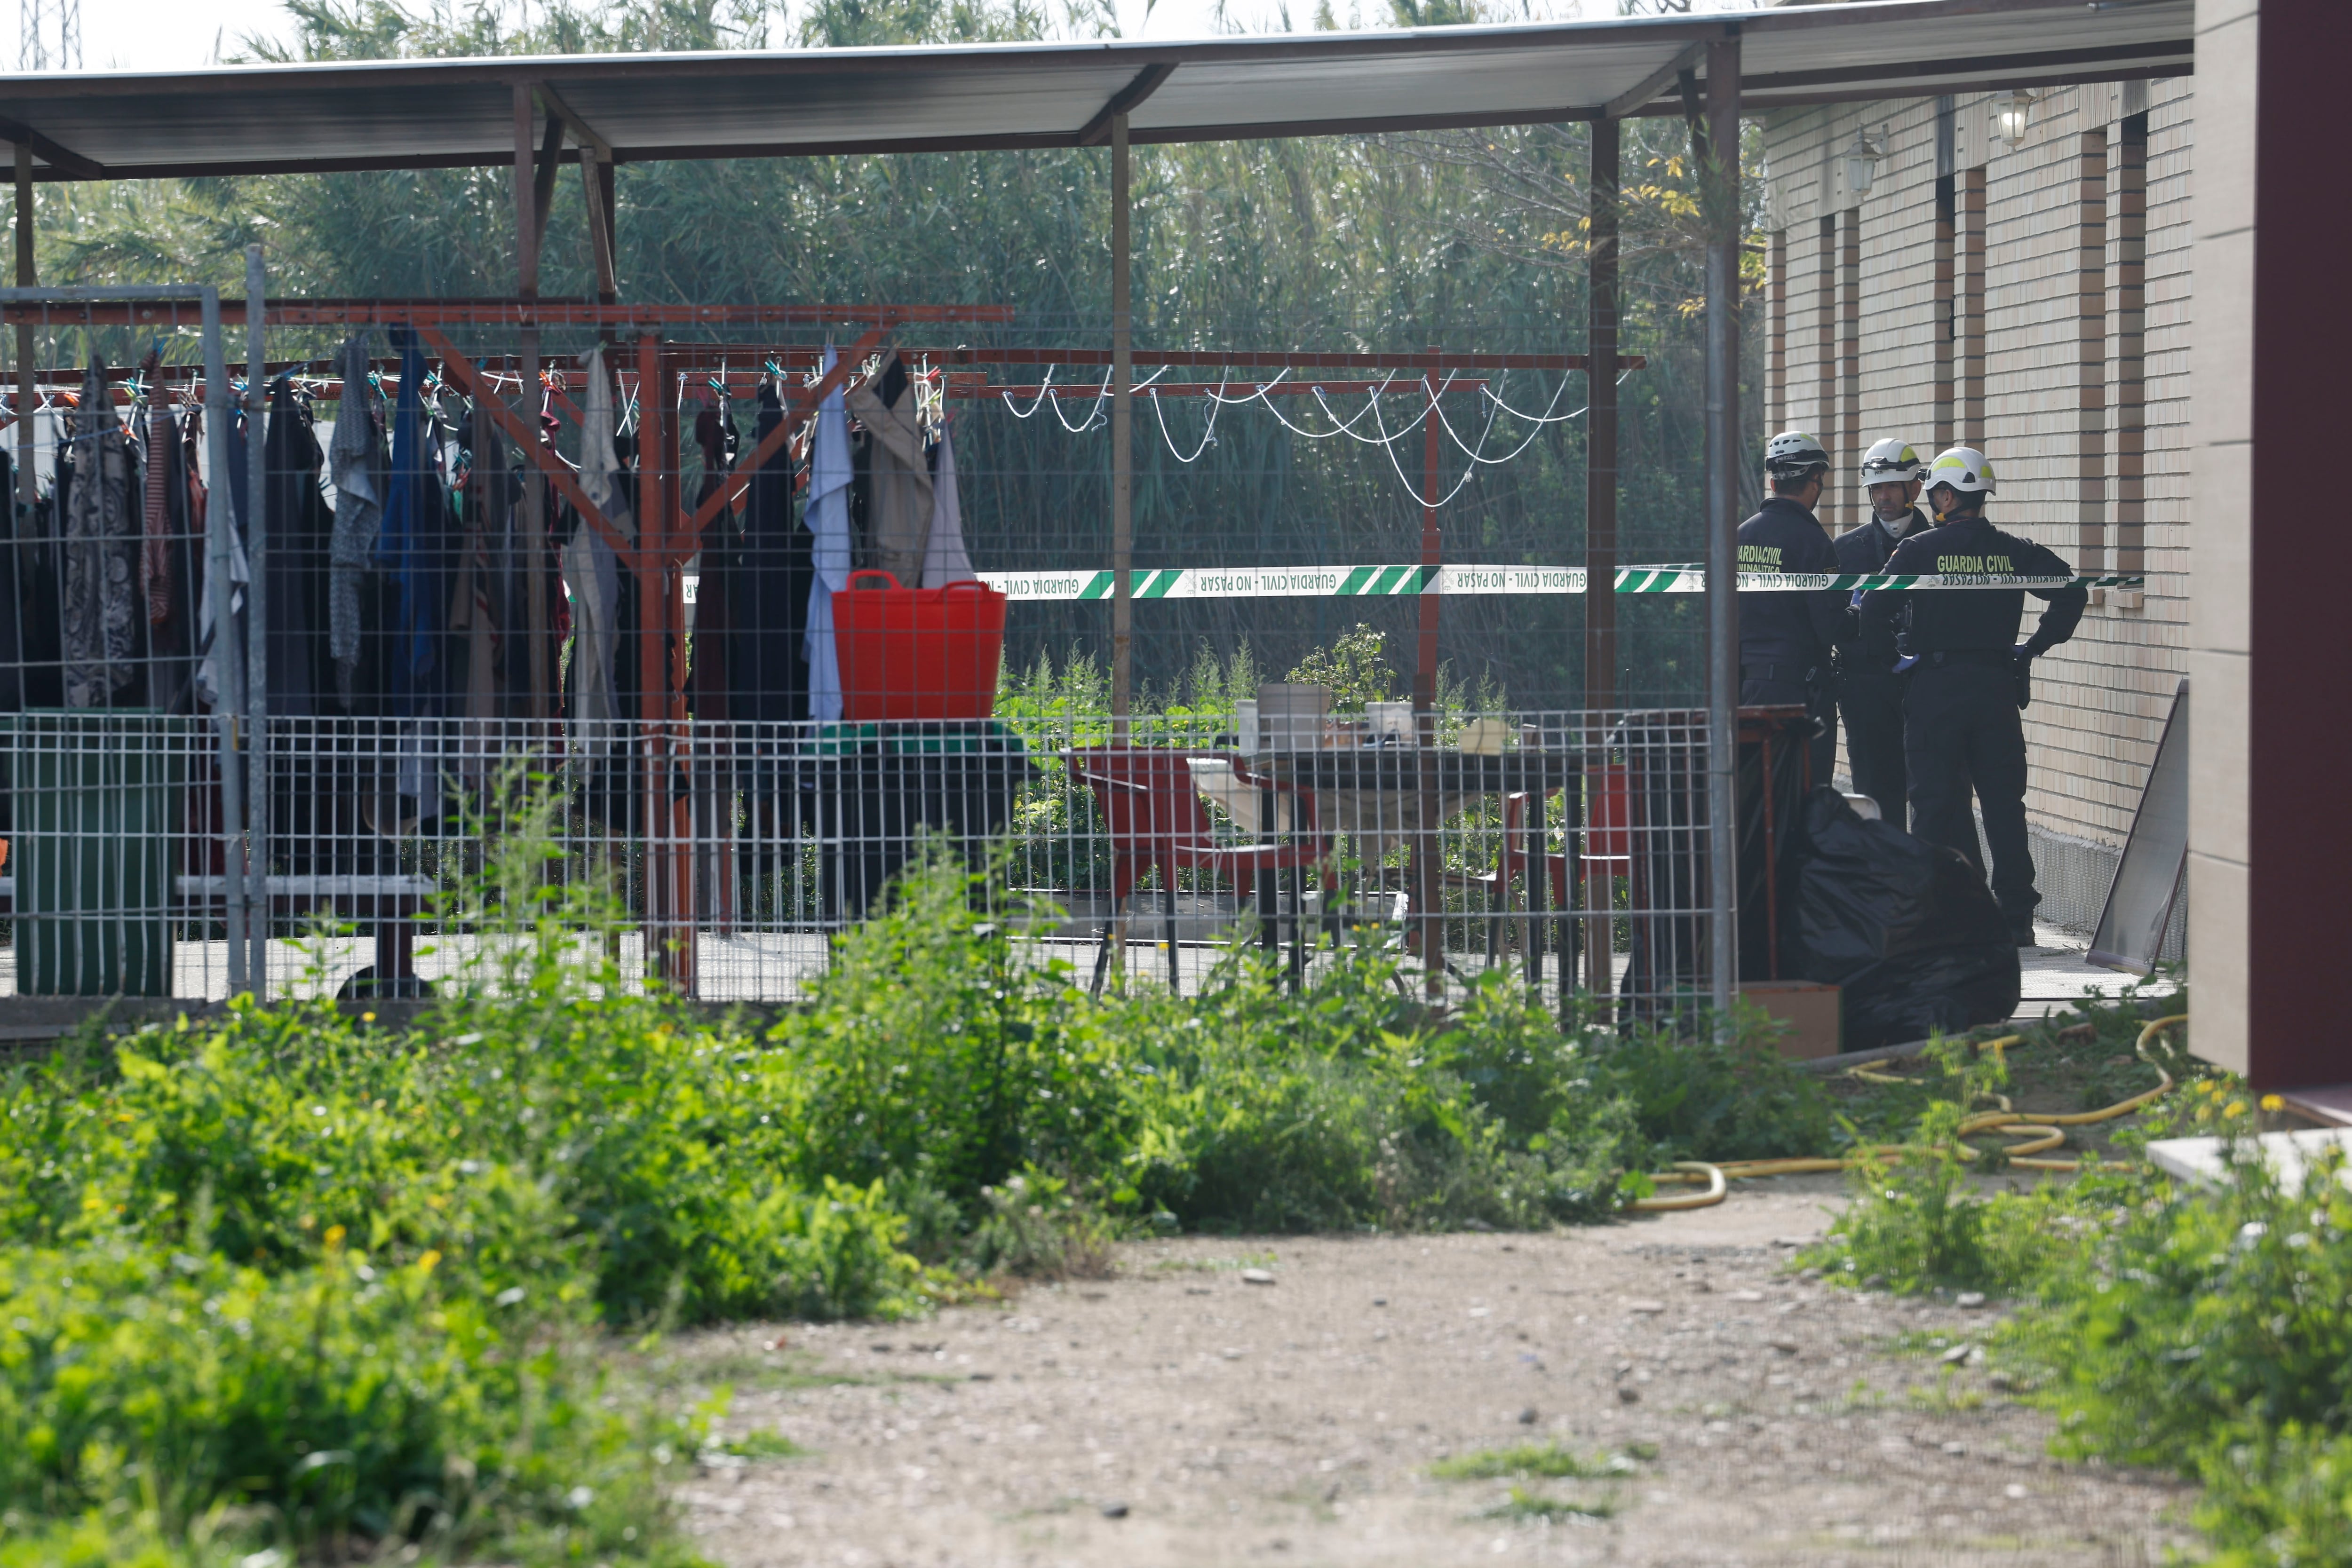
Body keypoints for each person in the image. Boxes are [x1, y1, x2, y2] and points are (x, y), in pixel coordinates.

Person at [1859, 447, 2088, 947]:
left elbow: (1873, 609)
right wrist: (2032, 648)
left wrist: (1890, 662)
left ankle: (1947, 911)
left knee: (1935, 804)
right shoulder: (2012, 550)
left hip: (1934, 691)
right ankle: (2015, 918)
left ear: (1944, 495)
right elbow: (2072, 590)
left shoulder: (1917, 551)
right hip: (1994, 691)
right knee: (2004, 805)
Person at [1833, 439, 1932, 824]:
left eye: (1892, 486)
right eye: (1877, 488)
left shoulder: (1936, 545)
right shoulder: (1845, 552)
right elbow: (1832, 617)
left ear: (1915, 488)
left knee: (1933, 798)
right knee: (1877, 801)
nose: (1884, 497)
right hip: (1866, 691)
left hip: (1926, 688)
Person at [1738, 430, 1846, 785]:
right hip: (1801, 693)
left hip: (1745, 690)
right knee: (1805, 796)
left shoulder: (1738, 537)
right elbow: (1830, 624)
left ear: (1772, 482)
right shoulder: (1814, 543)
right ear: (1815, 480)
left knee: (1759, 794)